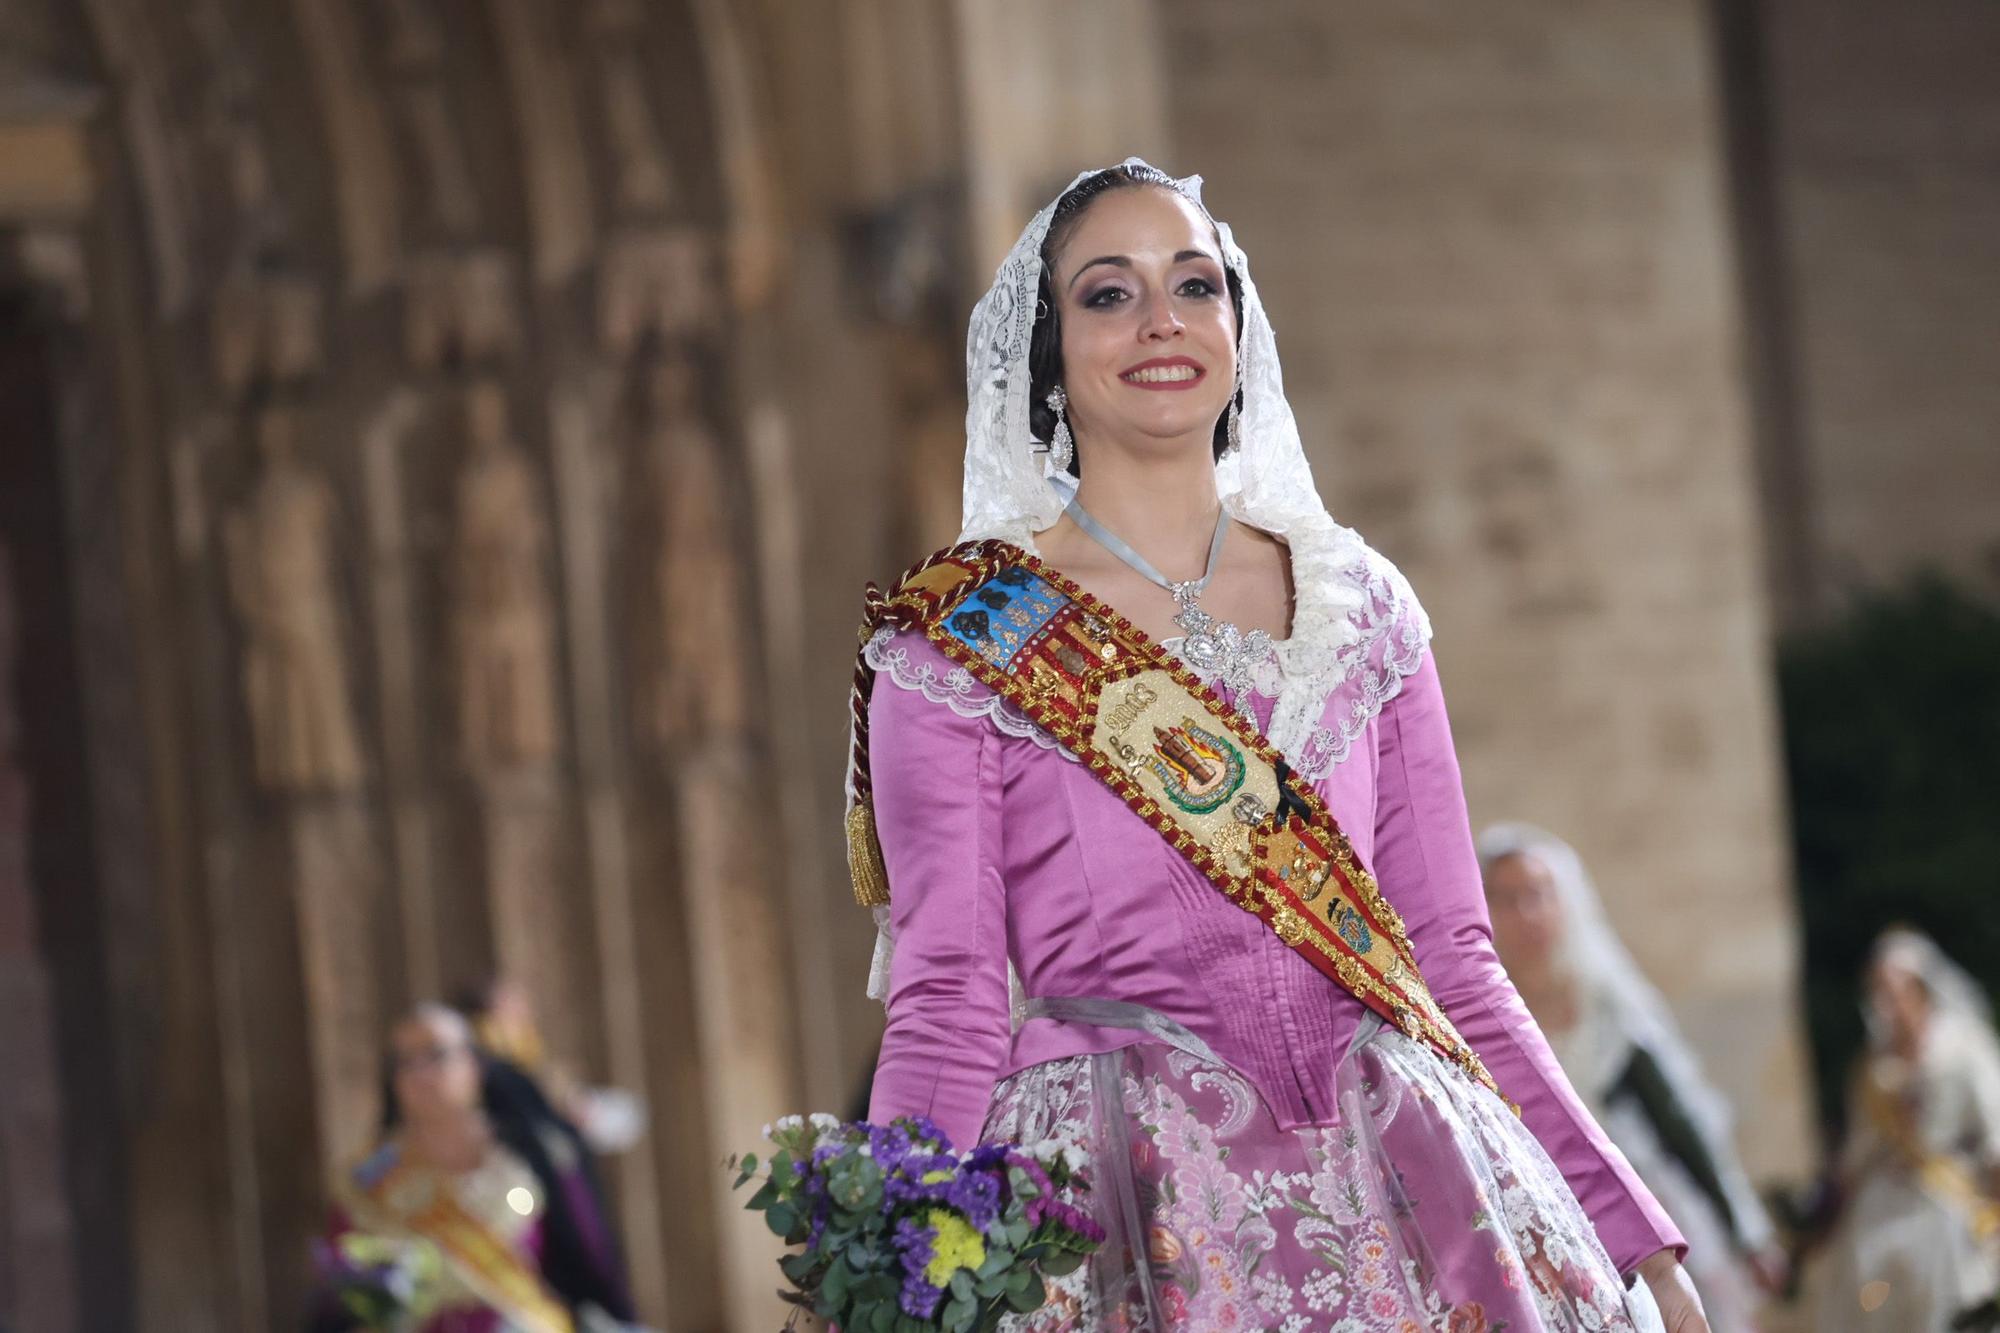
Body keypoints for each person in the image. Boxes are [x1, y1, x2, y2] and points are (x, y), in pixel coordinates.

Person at [847, 158, 1706, 1330]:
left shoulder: (1358, 606)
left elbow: (1451, 958)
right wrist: (879, 1270)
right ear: (1046, 352)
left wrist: (1627, 1231)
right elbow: (945, 999)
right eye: (1108, 293)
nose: (1160, 320)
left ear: (1237, 329)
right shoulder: (963, 645)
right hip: (1121, 1214)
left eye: (1193, 285)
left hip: (1401, 1186)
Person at [1478, 823, 1785, 1332]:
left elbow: (1678, 1124)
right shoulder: (1480, 1020)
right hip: (1529, 1234)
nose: (1527, 914)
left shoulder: (1607, 1011)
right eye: (1507, 899)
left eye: (1537, 894)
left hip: (1637, 1223)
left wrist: (1743, 1232)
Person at [309, 1004, 637, 1332]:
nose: (419, 1073)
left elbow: (592, 1260)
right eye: (404, 1062)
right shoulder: (370, 1177)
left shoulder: (535, 1153)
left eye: (435, 1055)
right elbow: (339, 1288)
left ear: (474, 1064)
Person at [1813, 928, 2000, 1331]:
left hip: (1949, 1200)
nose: (1887, 1003)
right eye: (1878, 990)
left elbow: (1994, 1126)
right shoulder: (1872, 1070)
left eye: (1894, 990)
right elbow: (1858, 1151)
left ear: (1918, 990)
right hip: (1882, 1205)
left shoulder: (1963, 1049)